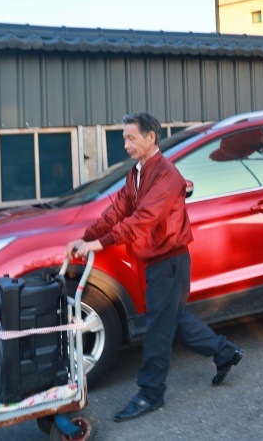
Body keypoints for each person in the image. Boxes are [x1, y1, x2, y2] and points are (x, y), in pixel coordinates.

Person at [66, 112, 243, 422]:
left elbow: (143, 218)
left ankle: (151, 392)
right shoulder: (136, 174)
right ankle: (224, 351)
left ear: (150, 137)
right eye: (124, 138)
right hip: (154, 262)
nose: (126, 144)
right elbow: (116, 211)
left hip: (170, 261)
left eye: (131, 137)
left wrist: (101, 243)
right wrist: (84, 238)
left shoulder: (166, 176)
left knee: (159, 328)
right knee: (172, 319)